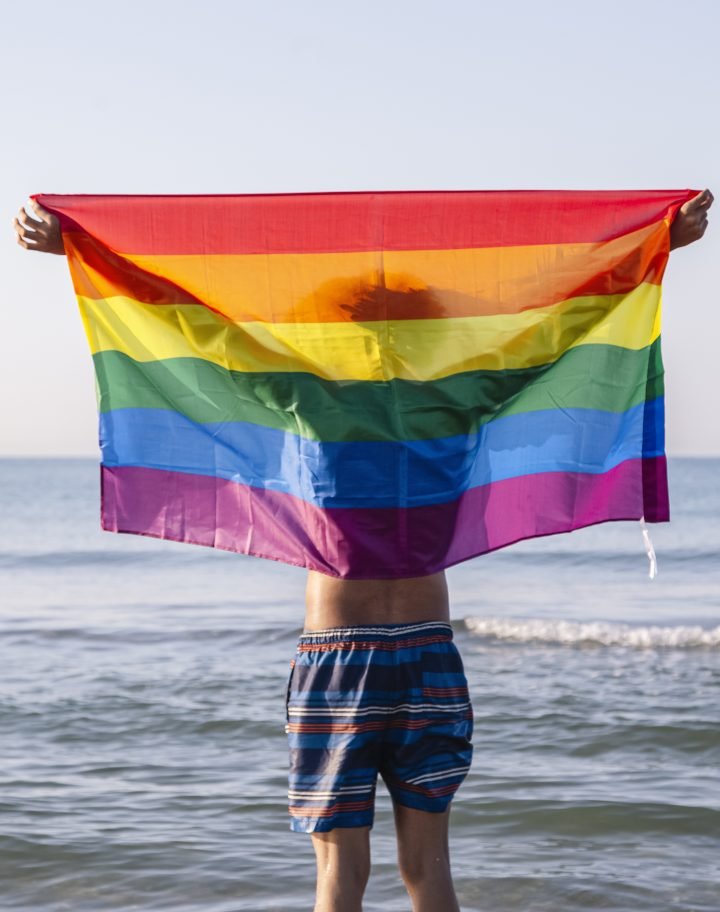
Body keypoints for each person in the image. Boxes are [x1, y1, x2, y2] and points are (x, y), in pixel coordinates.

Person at [14, 190, 713, 912]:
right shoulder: (461, 396)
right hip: (428, 654)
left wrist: (88, 251)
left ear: (334, 334)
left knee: (340, 874)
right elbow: (561, 329)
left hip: (338, 658)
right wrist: (651, 250)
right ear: (434, 333)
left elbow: (196, 331)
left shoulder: (309, 396)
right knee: (428, 870)